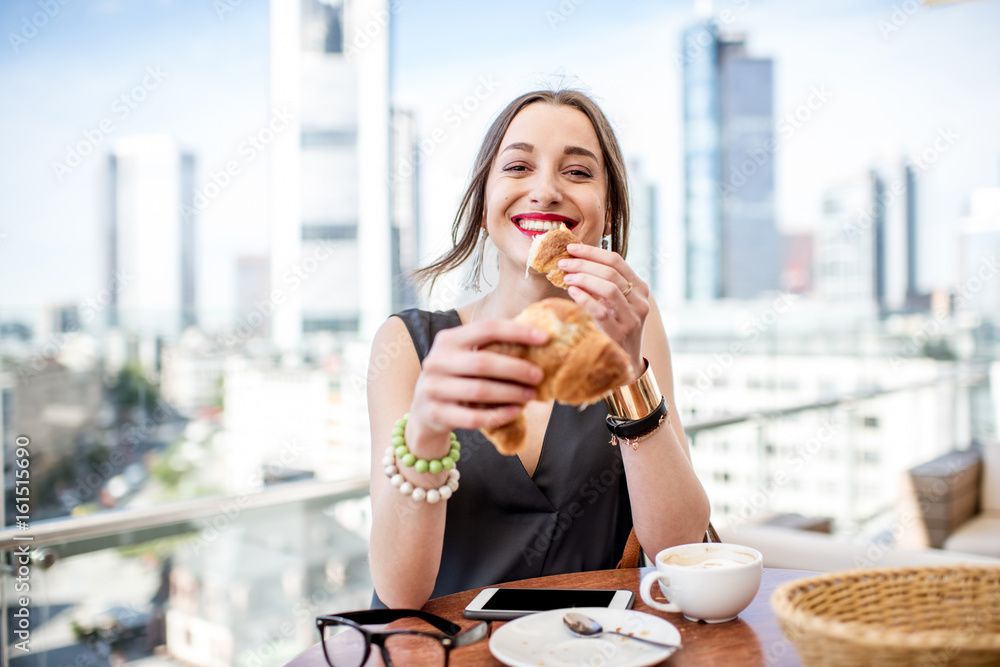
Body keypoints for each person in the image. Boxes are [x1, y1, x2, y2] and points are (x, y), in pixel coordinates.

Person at [367, 89, 710, 609]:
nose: (546, 191)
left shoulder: (634, 322)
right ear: (485, 204)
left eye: (577, 172)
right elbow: (399, 593)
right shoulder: (408, 344)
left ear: (608, 210)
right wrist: (427, 431)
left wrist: (626, 370)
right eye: (519, 166)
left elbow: (680, 548)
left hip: (590, 647)